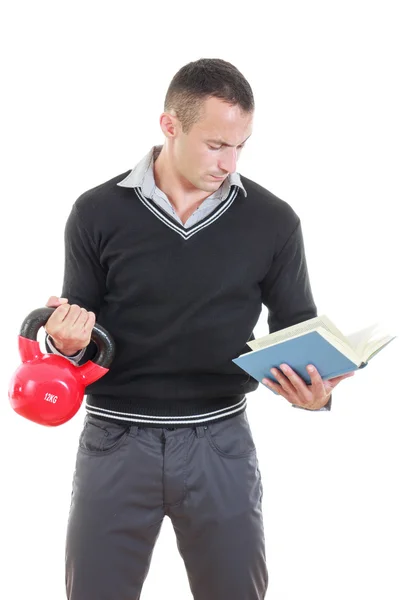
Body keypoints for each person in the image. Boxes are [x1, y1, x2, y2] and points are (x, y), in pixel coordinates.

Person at [44, 58, 354, 600]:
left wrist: (316, 391)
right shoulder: (95, 213)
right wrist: (63, 343)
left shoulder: (273, 221)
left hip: (220, 443)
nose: (229, 162)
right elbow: (76, 334)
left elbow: (296, 326)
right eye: (216, 145)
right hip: (114, 439)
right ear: (170, 126)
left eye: (241, 145)